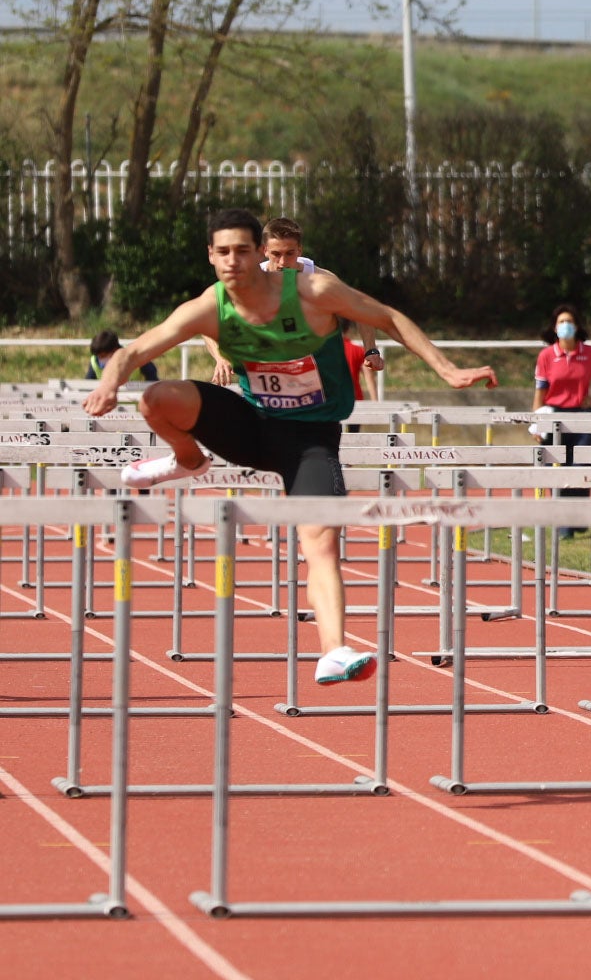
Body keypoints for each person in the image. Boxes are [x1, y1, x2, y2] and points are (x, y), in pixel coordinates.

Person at [81, 208, 498, 685]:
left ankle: (334, 651)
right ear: (211, 257)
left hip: (310, 438)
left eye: (243, 250)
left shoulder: (313, 291)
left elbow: (386, 316)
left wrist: (446, 370)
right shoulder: (208, 305)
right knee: (156, 399)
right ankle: (188, 460)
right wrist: (110, 384)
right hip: (250, 425)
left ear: (260, 253)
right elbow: (134, 351)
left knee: (319, 541)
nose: (234, 261)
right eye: (224, 252)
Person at [204, 217, 383, 388]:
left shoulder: (319, 279)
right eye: (276, 254)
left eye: (289, 253)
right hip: (268, 374)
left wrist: (371, 350)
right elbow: (207, 315)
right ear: (263, 250)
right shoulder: (248, 281)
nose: (283, 262)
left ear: (299, 250)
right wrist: (221, 358)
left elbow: (361, 309)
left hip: (313, 373)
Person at [531, 303, 591, 537]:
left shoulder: (589, 353)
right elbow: (539, 391)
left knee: (581, 467)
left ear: (577, 326)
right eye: (561, 322)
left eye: (569, 322)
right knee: (556, 469)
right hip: (554, 416)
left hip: (581, 417)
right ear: (554, 327)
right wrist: (536, 423)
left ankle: (580, 518)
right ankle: (564, 526)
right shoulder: (547, 355)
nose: (565, 326)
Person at [86, 330, 158, 382]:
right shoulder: (94, 362)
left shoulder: (134, 356)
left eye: (103, 356)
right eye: (98, 356)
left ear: (115, 350)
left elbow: (152, 378)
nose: (100, 359)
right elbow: (87, 385)